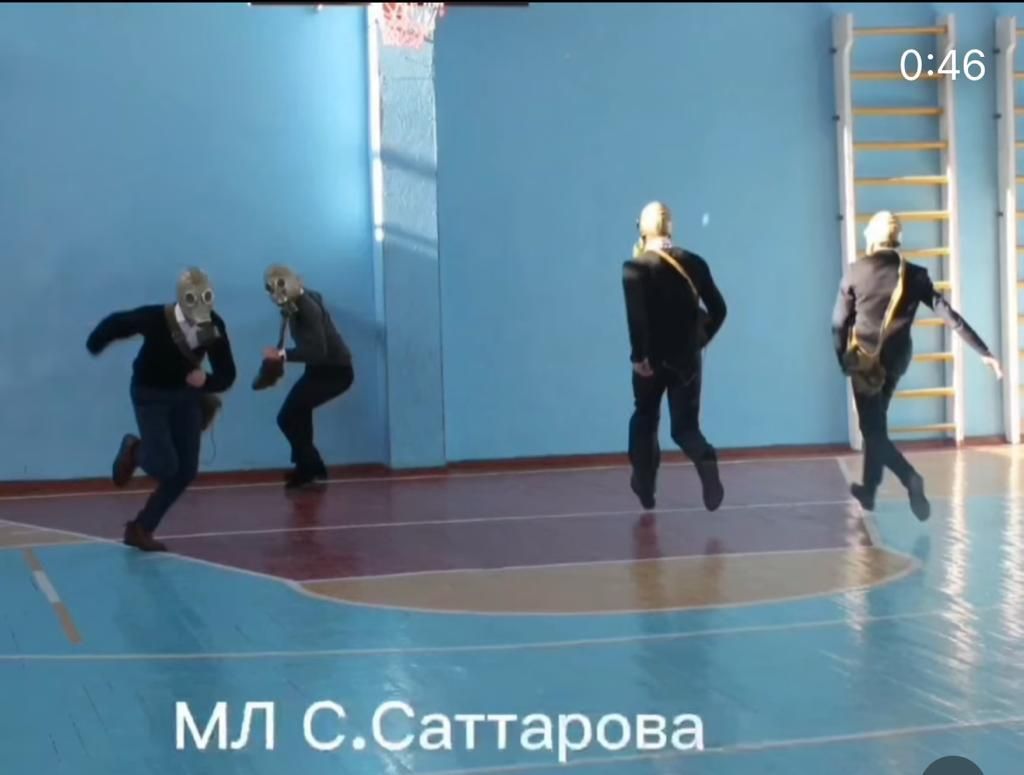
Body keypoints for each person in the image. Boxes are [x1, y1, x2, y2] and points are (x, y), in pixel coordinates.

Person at [832, 211, 1002, 520]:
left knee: (871, 429)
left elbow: (839, 323)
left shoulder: (855, 273)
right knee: (876, 424)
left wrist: (842, 358)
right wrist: (984, 351)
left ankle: (910, 478)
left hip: (865, 363)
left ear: (873, 237)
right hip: (895, 362)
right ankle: (869, 490)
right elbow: (949, 315)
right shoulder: (914, 274)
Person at [86, 268, 237, 551]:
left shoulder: (212, 327)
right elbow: (120, 323)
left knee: (186, 471)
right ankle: (134, 450)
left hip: (186, 397)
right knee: (165, 465)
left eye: (206, 298)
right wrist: (95, 342)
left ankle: (141, 528)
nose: (200, 306)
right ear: (182, 298)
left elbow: (227, 374)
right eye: (193, 299)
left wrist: (207, 380)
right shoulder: (158, 318)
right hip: (149, 393)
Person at [622, 201, 728, 512]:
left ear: (643, 229)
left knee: (644, 418)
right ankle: (705, 458)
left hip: (650, 362)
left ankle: (645, 485)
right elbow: (719, 309)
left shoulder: (635, 268)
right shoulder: (695, 263)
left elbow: (637, 319)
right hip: (687, 361)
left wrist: (639, 357)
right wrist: (701, 339)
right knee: (685, 428)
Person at [261, 265, 354, 489]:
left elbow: (317, 352)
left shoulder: (307, 308)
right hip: (319, 370)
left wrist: (281, 355)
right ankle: (307, 470)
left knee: (286, 417)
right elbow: (314, 295)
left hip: (334, 372)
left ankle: (313, 467)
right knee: (299, 415)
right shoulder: (299, 301)